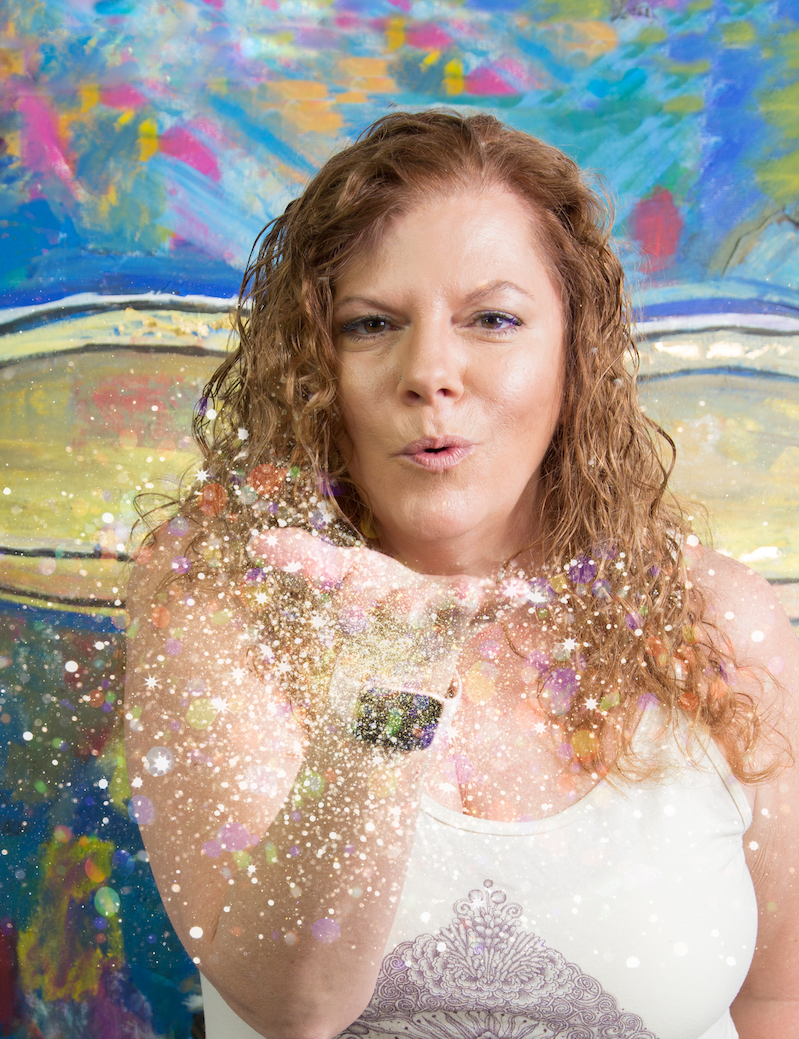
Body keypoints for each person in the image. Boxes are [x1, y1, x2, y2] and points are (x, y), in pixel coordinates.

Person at [124, 110, 799, 1039]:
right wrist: (389, 684)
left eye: (492, 319)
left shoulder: (714, 620)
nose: (430, 371)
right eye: (370, 324)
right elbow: (293, 1004)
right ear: (315, 364)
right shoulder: (219, 605)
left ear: (576, 353)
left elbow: (777, 997)